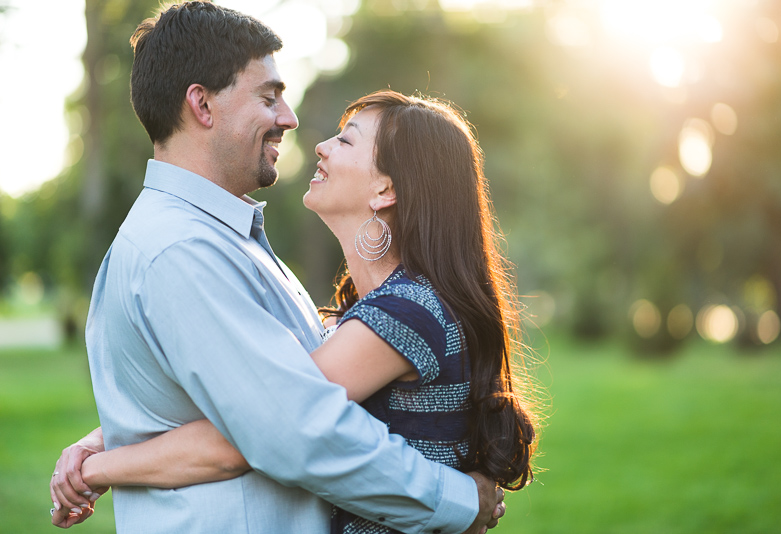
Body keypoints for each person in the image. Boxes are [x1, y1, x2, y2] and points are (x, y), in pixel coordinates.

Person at [47, 2, 509, 533]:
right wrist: (458, 500)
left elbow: (266, 393)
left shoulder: (227, 241)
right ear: (202, 105)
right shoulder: (179, 251)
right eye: (269, 97)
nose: (290, 120)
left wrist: (103, 453)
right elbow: (288, 424)